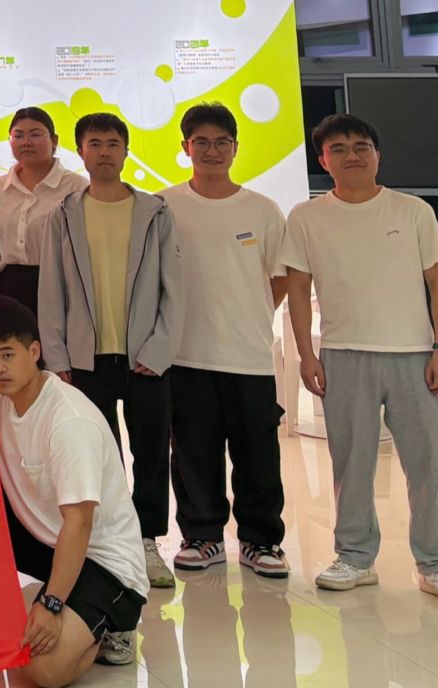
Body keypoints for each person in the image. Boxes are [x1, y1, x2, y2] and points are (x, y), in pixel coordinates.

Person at [285, 113, 438, 605]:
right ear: (323, 160)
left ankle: (436, 564)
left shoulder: (412, 211)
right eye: (339, 149)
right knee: (351, 464)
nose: (352, 156)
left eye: (361, 147)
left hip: (414, 356)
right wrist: (306, 354)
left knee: (427, 466)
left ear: (377, 155)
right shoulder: (306, 217)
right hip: (344, 354)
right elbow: (299, 290)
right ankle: (355, 556)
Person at [0, 296, 149, 682]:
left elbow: (80, 523)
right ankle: (58, 610)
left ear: (34, 351)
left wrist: (51, 605)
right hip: (47, 543)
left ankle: (108, 626)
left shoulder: (68, 421)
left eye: (7, 354)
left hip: (104, 562)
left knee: (44, 669)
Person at [39, 112, 181, 589]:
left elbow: (173, 290)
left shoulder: (154, 212)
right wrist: (58, 358)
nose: (104, 152)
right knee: (100, 456)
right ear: (80, 152)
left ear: (125, 151)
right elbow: (51, 291)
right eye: (95, 143)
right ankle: (111, 544)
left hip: (145, 357)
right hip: (86, 360)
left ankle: (148, 542)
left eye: (113, 143)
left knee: (151, 452)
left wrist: (160, 349)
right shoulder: (63, 214)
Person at [162, 103, 290, 579]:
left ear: (235, 148)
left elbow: (279, 277)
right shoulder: (164, 206)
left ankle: (261, 541)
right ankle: (203, 536)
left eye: (221, 142)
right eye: (202, 142)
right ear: (186, 147)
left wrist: (248, 314)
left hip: (249, 356)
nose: (212, 151)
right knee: (193, 453)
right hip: (185, 354)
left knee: (258, 454)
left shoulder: (262, 209)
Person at [0, 107, 85, 314]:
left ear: (54, 140)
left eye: (35, 134)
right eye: (18, 136)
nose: (26, 142)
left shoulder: (75, 187)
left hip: (59, 284)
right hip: (9, 287)